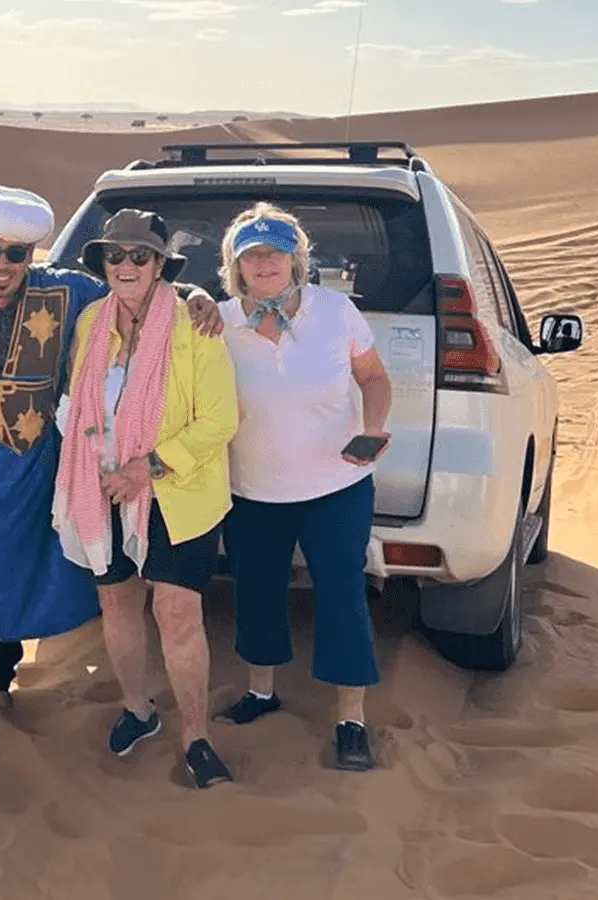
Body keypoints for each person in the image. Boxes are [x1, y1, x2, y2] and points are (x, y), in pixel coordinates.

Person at [0, 186, 224, 716]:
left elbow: (135, 285)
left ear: (32, 255)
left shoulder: (67, 290)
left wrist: (193, 292)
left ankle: (1, 681)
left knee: (17, 564)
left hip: (35, 464)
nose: (3, 265)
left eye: (17, 253)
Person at [53, 209, 240, 789]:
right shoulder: (90, 320)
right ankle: (137, 710)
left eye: (140, 256)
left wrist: (148, 467)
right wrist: (105, 464)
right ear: (103, 263)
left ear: (160, 265)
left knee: (175, 611)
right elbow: (80, 405)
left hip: (177, 492)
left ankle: (196, 735)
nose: (126, 265)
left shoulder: (194, 321)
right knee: (116, 603)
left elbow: (219, 420)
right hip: (104, 485)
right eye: (116, 255)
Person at [212, 202, 393, 772]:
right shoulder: (215, 322)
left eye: (275, 251)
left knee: (341, 593)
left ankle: (351, 719)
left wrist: (374, 428)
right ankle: (262, 691)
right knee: (256, 591)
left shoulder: (335, 312)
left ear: (297, 258)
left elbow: (373, 375)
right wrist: (192, 300)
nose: (265, 263)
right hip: (252, 489)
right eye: (252, 255)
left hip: (336, 485)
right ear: (235, 266)